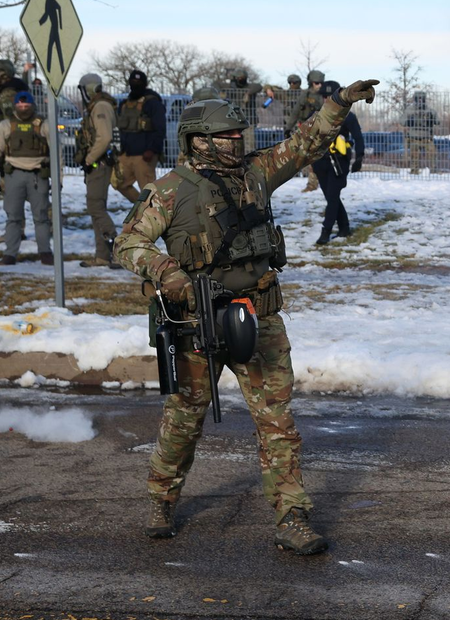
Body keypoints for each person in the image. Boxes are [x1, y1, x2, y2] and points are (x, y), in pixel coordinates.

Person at [114, 77, 380, 553]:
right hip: (197, 323)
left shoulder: (258, 173)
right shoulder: (171, 191)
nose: (237, 142)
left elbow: (306, 141)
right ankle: (161, 498)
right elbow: (128, 242)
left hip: (258, 316)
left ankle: (292, 517)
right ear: (198, 140)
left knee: (278, 422)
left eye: (239, 135)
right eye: (226, 136)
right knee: (184, 419)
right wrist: (168, 273)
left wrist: (339, 103)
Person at [0, 91, 53, 265]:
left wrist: (58, 179)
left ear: (32, 105)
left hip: (38, 175)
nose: (23, 108)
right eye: (20, 105)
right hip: (13, 174)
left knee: (41, 216)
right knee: (13, 217)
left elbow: (56, 152)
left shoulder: (43, 125)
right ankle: (10, 254)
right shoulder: (6, 125)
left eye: (27, 105)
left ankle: (45, 252)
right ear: (15, 106)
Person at [75, 73, 122, 268]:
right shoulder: (97, 106)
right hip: (97, 163)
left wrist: (89, 159)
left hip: (99, 163)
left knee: (95, 206)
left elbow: (104, 138)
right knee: (96, 208)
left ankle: (118, 251)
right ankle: (102, 255)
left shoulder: (101, 106)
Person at [311, 81, 365, 245]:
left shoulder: (348, 116)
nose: (326, 99)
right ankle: (344, 227)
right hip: (320, 162)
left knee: (333, 197)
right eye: (324, 96)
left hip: (339, 162)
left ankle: (326, 231)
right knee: (330, 197)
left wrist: (359, 158)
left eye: (330, 96)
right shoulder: (316, 115)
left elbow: (358, 138)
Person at [115, 69, 166, 202]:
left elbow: (160, 129)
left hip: (144, 155)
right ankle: (141, 208)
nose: (135, 84)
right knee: (118, 182)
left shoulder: (153, 103)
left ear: (144, 83)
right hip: (126, 154)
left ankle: (152, 212)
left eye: (138, 82)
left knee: (148, 192)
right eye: (133, 81)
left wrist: (152, 149)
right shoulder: (125, 104)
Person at [286, 70, 325, 193]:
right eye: (316, 83)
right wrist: (288, 128)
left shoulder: (324, 95)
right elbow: (296, 112)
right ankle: (312, 183)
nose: (319, 85)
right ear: (311, 83)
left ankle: (315, 183)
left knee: (316, 157)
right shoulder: (305, 95)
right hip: (306, 130)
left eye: (321, 83)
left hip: (320, 130)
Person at [222, 68, 263, 151]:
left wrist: (248, 93)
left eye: (242, 78)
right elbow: (216, 84)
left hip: (249, 120)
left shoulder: (249, 87)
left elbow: (259, 86)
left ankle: (249, 157)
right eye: (239, 78)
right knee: (234, 143)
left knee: (249, 144)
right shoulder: (231, 88)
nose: (240, 79)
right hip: (234, 121)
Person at [404, 91, 439, 174]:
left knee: (432, 153)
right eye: (418, 98)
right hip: (414, 138)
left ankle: (434, 170)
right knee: (414, 155)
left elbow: (437, 121)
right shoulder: (410, 110)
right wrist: (409, 121)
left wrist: (431, 119)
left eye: (421, 99)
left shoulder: (430, 110)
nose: (420, 101)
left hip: (426, 137)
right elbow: (402, 121)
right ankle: (414, 171)